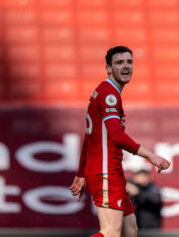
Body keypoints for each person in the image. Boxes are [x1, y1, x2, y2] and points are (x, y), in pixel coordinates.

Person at [69, 46, 171, 237]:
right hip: (106, 172)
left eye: (129, 62)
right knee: (110, 233)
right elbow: (116, 136)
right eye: (119, 62)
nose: (125, 66)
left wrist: (81, 172)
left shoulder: (104, 91)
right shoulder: (109, 94)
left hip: (110, 171)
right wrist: (151, 156)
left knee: (130, 230)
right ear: (108, 68)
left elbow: (89, 136)